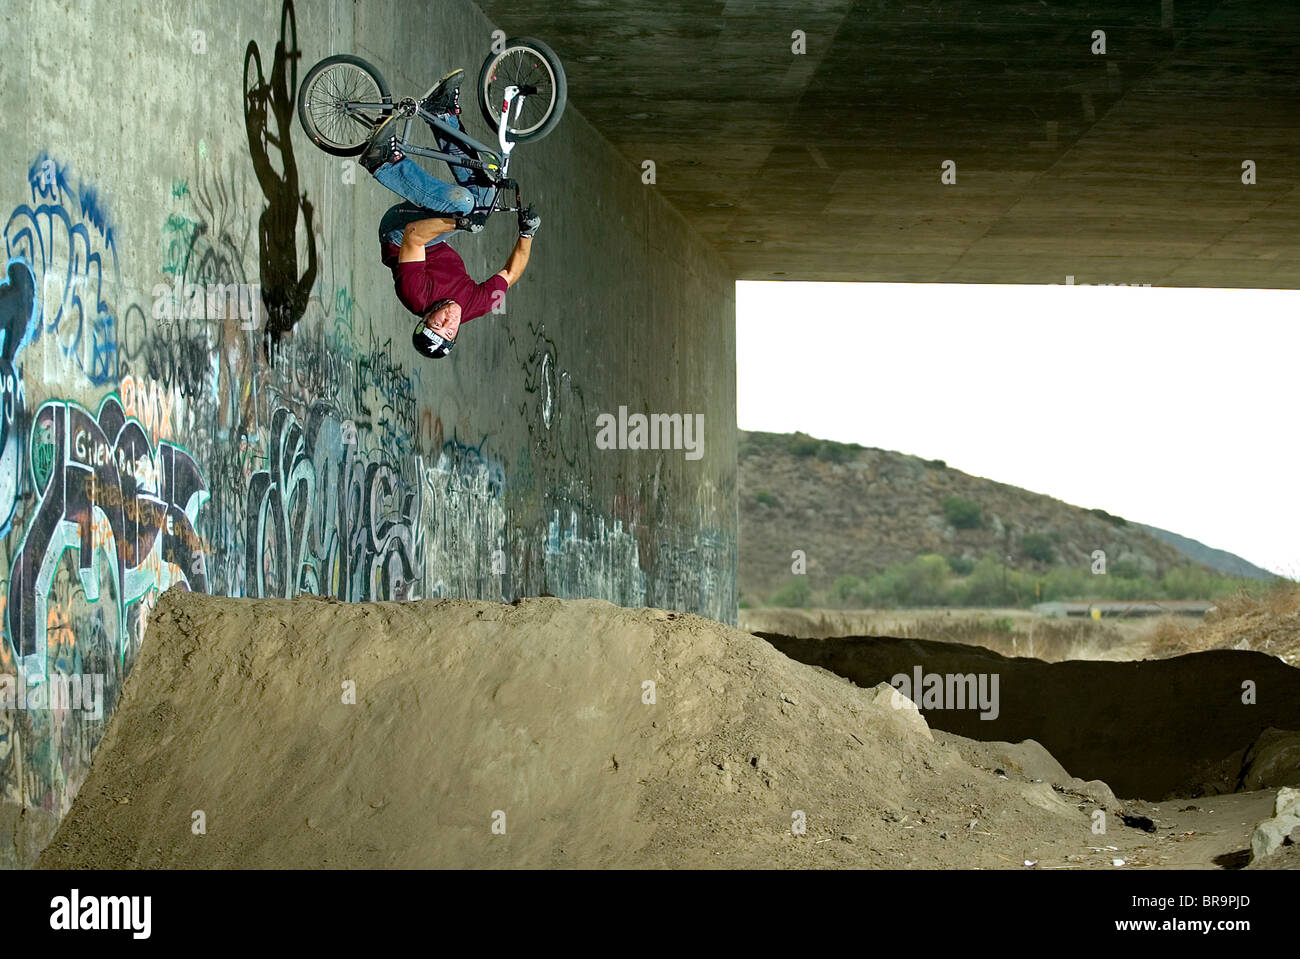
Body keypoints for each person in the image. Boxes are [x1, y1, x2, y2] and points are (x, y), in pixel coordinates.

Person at [359, 69, 541, 359]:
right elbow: (511, 273)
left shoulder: (415, 294)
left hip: (398, 232)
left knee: (465, 204)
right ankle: (443, 115)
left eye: (437, 325)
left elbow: (414, 237)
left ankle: (384, 163)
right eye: (449, 332)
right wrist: (527, 233)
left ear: (425, 317)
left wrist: (458, 222)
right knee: (484, 198)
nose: (449, 322)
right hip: (434, 236)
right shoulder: (474, 306)